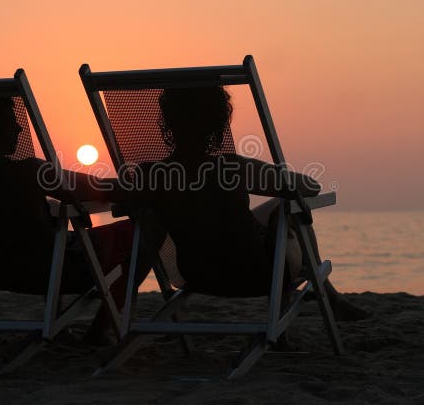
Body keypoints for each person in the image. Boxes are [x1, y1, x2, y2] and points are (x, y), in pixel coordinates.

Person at [0, 97, 163, 345]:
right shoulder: (30, 172)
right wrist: (148, 189)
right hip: (57, 271)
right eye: (12, 123)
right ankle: (99, 330)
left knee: (50, 228)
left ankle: (62, 324)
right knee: (152, 226)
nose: (20, 129)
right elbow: (100, 188)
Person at [133, 86, 367, 320]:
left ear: (168, 122)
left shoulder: (150, 174)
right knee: (290, 212)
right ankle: (329, 299)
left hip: (195, 274)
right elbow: (311, 186)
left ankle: (331, 298)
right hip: (256, 275)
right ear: (218, 124)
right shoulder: (234, 168)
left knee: (279, 207)